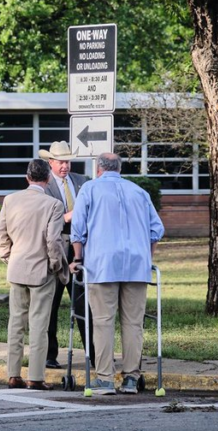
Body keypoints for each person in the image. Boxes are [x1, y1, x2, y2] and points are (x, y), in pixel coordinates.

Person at [70, 153, 164, 395]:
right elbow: (157, 230)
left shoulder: (89, 189)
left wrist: (77, 258)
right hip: (137, 266)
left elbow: (78, 229)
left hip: (101, 265)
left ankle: (105, 378)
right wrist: (146, 256)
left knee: (102, 322)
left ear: (99, 168)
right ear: (119, 168)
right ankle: (131, 378)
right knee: (133, 323)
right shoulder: (139, 192)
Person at [0, 159, 68, 391]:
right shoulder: (54, 205)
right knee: (39, 325)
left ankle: (13, 374)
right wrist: (56, 266)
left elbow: (0, 237)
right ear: (48, 179)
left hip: (17, 268)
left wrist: (9, 257)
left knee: (15, 323)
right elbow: (53, 241)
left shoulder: (10, 200)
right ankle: (35, 377)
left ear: (27, 177)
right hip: (42, 270)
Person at [38, 141, 95, 370]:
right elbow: (41, 219)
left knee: (84, 303)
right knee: (50, 303)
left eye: (68, 161)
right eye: (61, 162)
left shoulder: (82, 182)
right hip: (54, 247)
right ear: (50, 162)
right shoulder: (45, 185)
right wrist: (66, 217)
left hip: (78, 247)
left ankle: (93, 353)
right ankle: (49, 355)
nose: (65, 166)